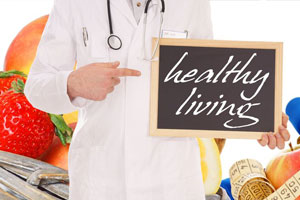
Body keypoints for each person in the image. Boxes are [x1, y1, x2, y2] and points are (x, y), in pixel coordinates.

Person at [24, 0, 290, 199]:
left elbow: (208, 80)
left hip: (172, 181)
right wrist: (72, 84)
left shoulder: (192, 3)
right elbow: (35, 87)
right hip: (101, 181)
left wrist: (258, 112)